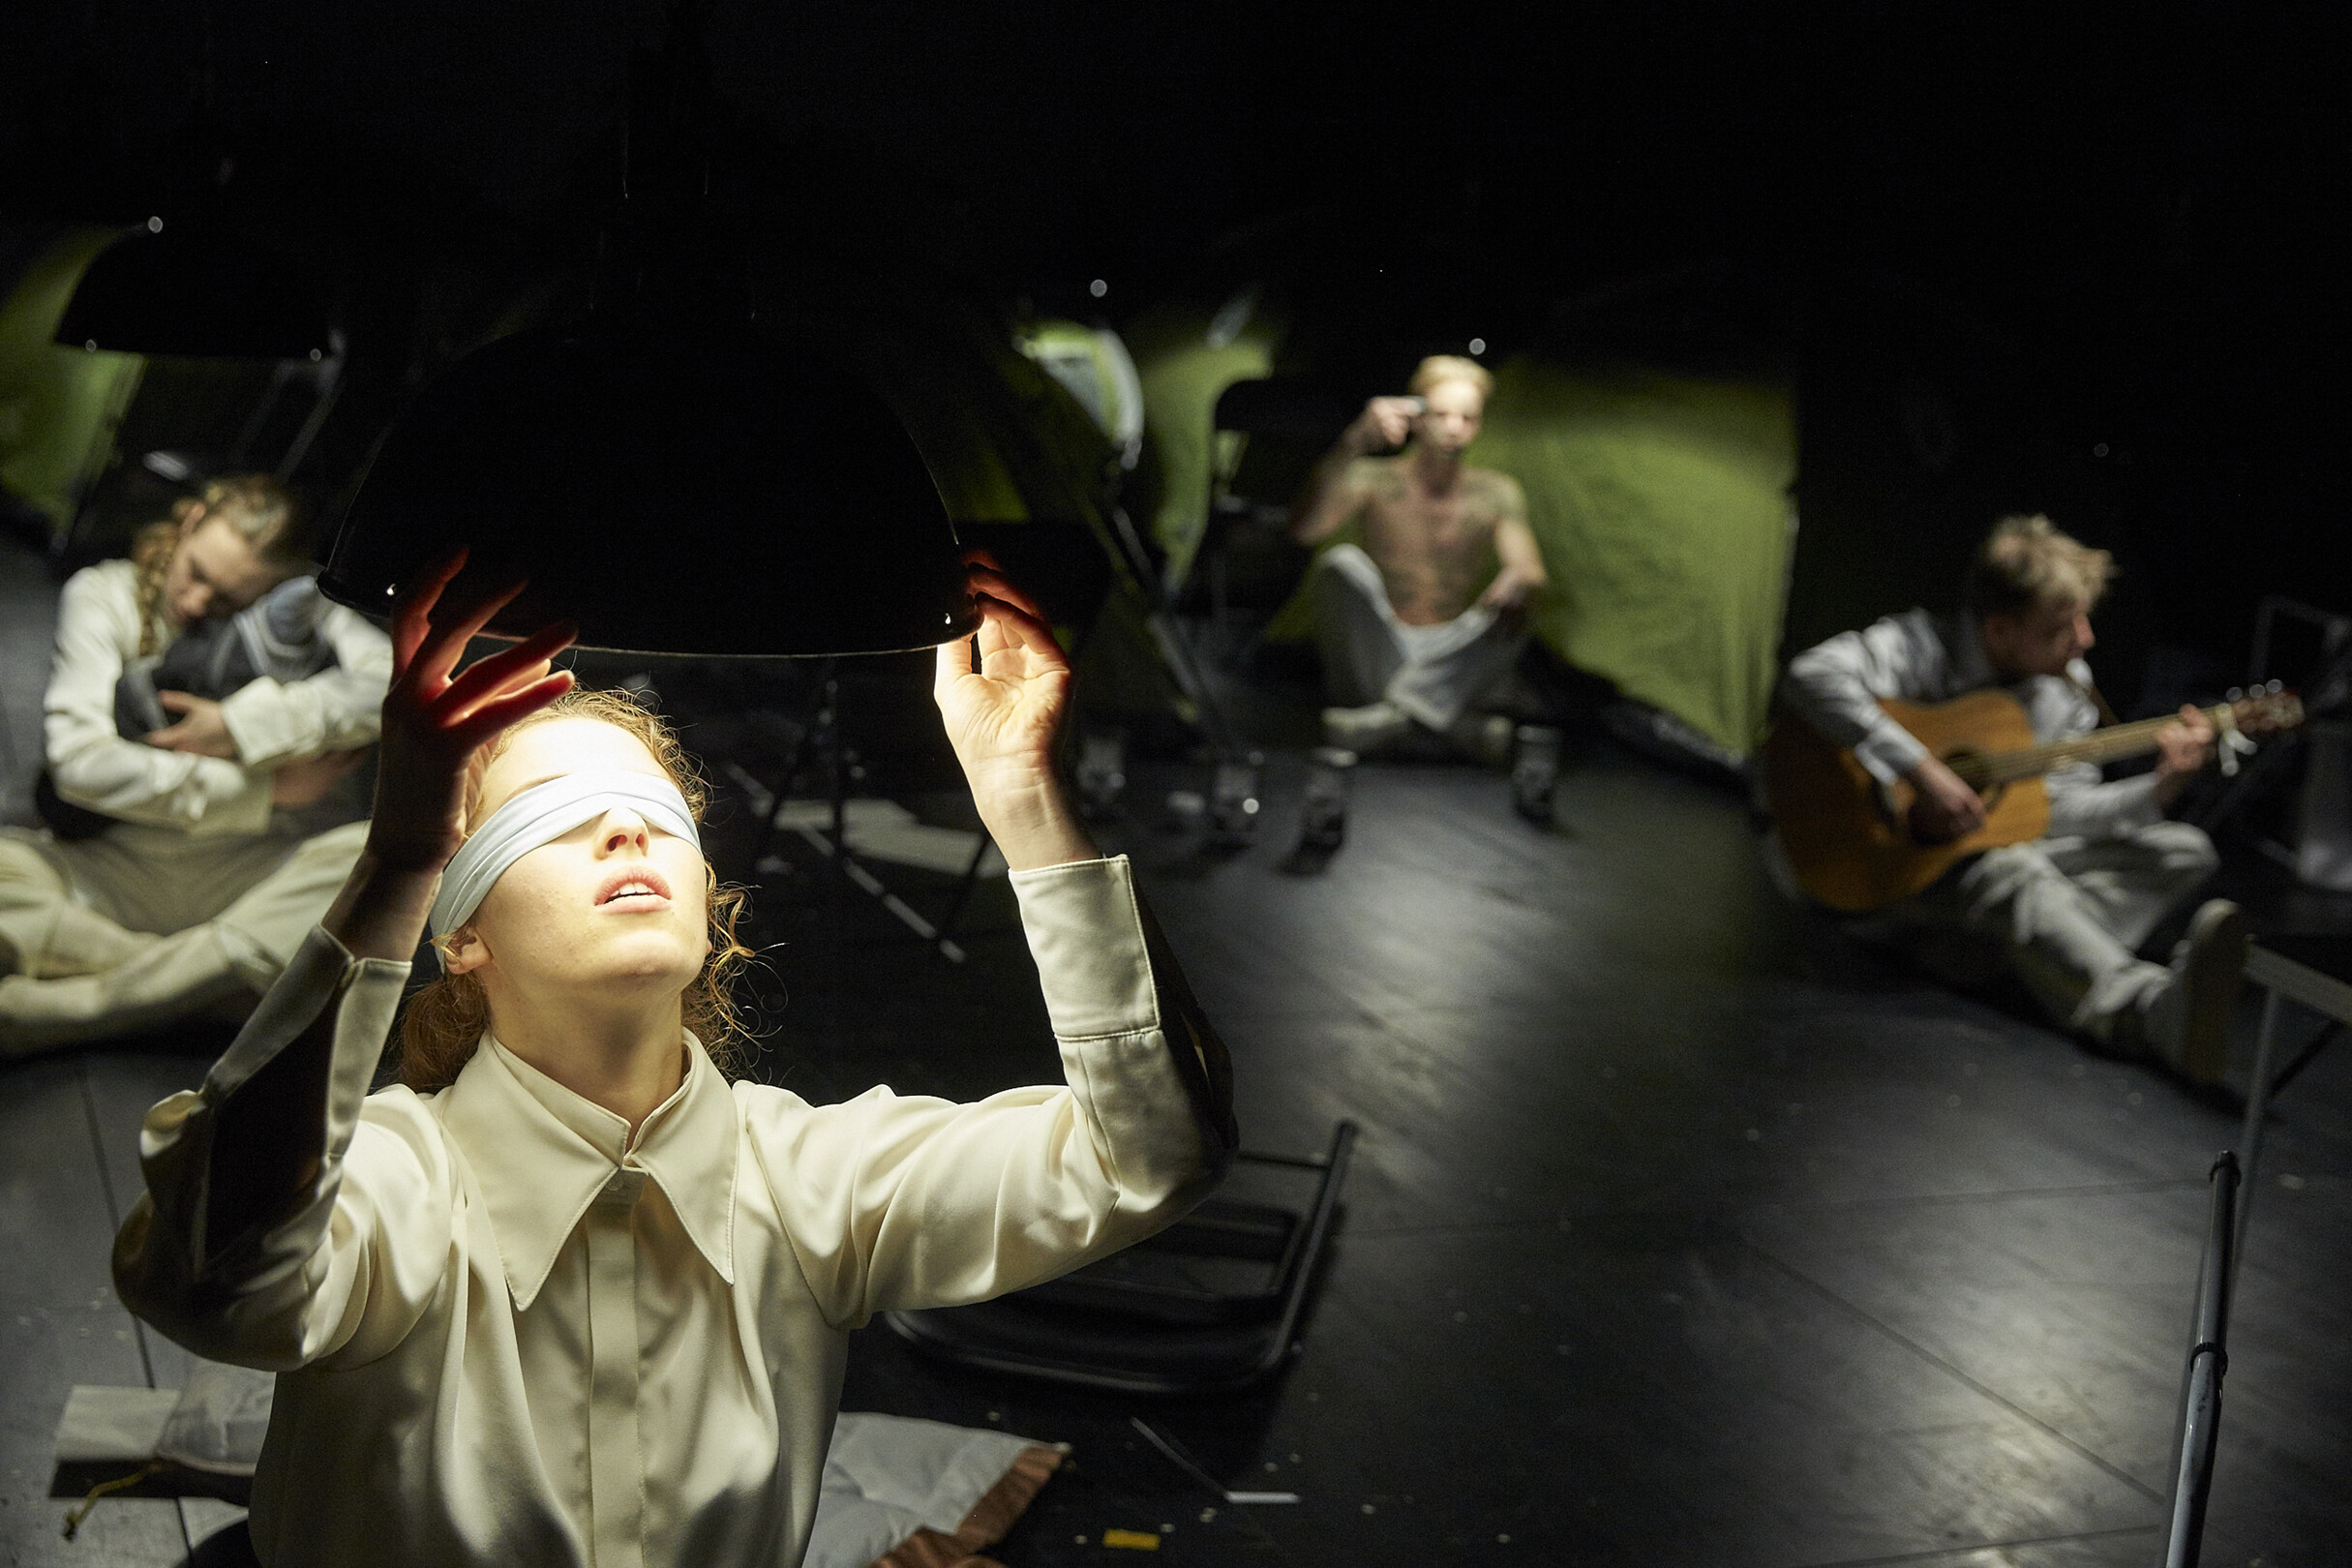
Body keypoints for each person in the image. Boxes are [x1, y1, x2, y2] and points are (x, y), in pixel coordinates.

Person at [113, 552, 1237, 1567]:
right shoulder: (394, 1187)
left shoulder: (813, 1184)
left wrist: (1031, 805)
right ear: (462, 932)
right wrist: (398, 862)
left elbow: (1149, 1156)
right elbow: (211, 1280)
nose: (626, 829)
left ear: (708, 899)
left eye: (656, 813)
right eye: (550, 813)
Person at [1776, 514, 2240, 1079]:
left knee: (2183, 851)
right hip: (1880, 875)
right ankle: (2142, 1011)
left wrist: (2162, 787)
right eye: (2060, 628)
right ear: (1999, 631)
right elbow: (1812, 674)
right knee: (2014, 870)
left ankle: (2019, 953)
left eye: (2084, 620)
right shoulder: (1920, 648)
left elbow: (2058, 813)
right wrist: (1921, 769)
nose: (2085, 639)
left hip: (1979, 884)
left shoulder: (2064, 688)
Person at [1, 476, 392, 1055]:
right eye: (196, 573)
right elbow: (79, 763)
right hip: (115, 866)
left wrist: (239, 724)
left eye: (227, 599)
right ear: (189, 525)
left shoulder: (306, 609)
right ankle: (203, 989)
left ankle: (93, 1003)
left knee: (376, 856)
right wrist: (265, 789)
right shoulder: (104, 592)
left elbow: (389, 685)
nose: (193, 603)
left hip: (248, 873)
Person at [1289, 354, 1548, 761]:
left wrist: (1520, 581)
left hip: (1449, 652)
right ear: (1418, 416)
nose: (1454, 428)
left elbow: (1530, 570)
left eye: (1468, 418)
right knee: (1339, 565)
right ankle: (1449, 725)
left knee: (1525, 598)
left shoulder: (1496, 492)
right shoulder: (1373, 478)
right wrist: (1353, 442)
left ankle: (1389, 721)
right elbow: (1304, 531)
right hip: (1380, 650)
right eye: (1442, 415)